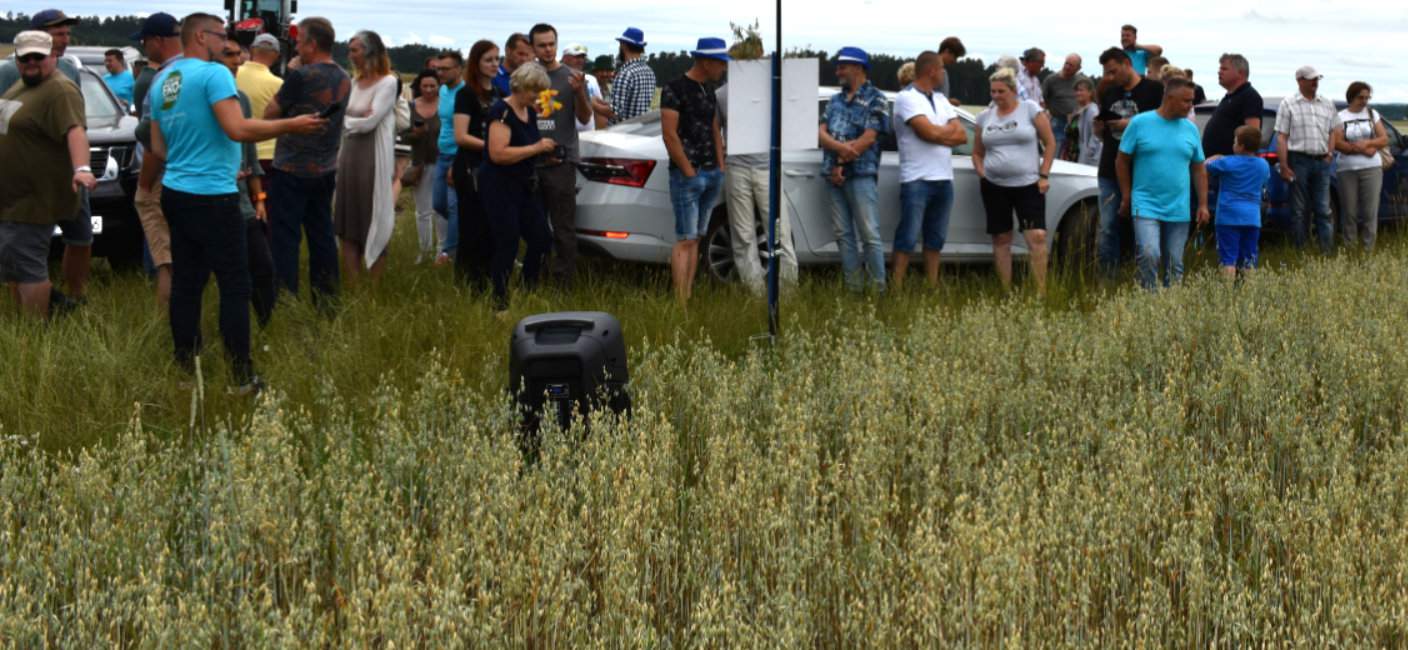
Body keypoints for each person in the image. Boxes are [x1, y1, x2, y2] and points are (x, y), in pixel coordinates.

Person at [145, 13, 323, 392]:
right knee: (235, 285)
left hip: (176, 191)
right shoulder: (214, 75)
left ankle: (186, 370)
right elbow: (238, 129)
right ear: (199, 36)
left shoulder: (165, 80)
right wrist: (292, 124)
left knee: (187, 284)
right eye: (221, 35)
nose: (227, 42)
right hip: (213, 194)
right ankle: (241, 377)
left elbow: (158, 148)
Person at [0, 30, 96, 319]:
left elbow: (76, 131)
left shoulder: (59, 90)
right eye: (24, 57)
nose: (31, 62)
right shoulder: (21, 85)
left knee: (29, 269)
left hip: (34, 200)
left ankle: (35, 331)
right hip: (12, 199)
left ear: (53, 55)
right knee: (15, 265)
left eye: (38, 57)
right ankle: (24, 321)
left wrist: (81, 168)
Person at [1116, 77, 1208, 290]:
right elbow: (1122, 160)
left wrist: (1203, 204)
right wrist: (1127, 195)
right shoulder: (1140, 123)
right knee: (1150, 254)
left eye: (1191, 101)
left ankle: (1170, 306)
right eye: (1186, 101)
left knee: (1175, 262)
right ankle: (1149, 300)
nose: (1190, 106)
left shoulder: (1190, 129)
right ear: (1169, 98)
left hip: (1179, 206)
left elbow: (1198, 168)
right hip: (1145, 203)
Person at [479, 64, 556, 312]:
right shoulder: (501, 112)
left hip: (523, 185)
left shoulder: (529, 113)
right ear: (521, 87)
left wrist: (545, 155)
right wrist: (536, 148)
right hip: (500, 186)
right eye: (534, 91)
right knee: (507, 241)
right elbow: (498, 154)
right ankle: (499, 302)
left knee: (541, 238)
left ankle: (527, 288)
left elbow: (527, 148)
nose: (537, 96)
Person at [974, 67, 1057, 296]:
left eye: (1001, 91)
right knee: (1001, 237)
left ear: (1012, 90)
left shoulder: (1029, 109)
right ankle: (1006, 291)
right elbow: (977, 152)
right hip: (994, 185)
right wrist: (982, 173)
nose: (996, 96)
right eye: (993, 92)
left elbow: (1050, 143)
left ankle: (1040, 291)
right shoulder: (985, 117)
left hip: (1028, 183)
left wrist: (1044, 174)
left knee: (1037, 236)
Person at [892, 51, 968, 290]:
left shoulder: (941, 100)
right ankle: (896, 287)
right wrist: (943, 133)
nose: (944, 74)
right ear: (932, 70)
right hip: (917, 179)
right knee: (907, 236)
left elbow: (962, 135)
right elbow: (928, 133)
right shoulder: (907, 98)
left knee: (935, 238)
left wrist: (938, 134)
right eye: (942, 69)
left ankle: (932, 286)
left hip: (944, 179)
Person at [660, 37, 728, 305]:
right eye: (721, 63)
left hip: (711, 172)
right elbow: (669, 134)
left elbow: (714, 128)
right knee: (686, 238)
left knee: (697, 237)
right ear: (706, 61)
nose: (723, 68)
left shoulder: (708, 89)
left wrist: (720, 166)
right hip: (688, 175)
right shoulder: (674, 88)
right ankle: (681, 301)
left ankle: (688, 293)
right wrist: (688, 171)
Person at [718, 78, 796, 298]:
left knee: (780, 231)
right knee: (743, 234)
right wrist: (722, 162)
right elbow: (717, 130)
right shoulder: (721, 94)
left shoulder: (771, 90)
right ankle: (755, 293)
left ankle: (788, 293)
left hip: (767, 169)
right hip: (736, 169)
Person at [819, 46, 888, 293]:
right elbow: (821, 132)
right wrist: (839, 150)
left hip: (860, 174)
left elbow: (869, 137)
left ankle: (878, 290)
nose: (838, 71)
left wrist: (841, 160)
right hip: (833, 175)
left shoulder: (876, 98)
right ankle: (854, 288)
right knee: (843, 234)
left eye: (842, 66)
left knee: (869, 233)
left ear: (858, 68)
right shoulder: (835, 100)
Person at [216, 37, 276, 326]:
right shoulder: (199, 95)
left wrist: (260, 198)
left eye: (239, 55)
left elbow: (250, 157)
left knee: (262, 267)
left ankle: (265, 326)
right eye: (229, 55)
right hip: (208, 198)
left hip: (243, 202)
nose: (237, 61)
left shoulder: (241, 99)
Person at [333, 30, 398, 286]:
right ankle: (352, 286)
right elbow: (355, 120)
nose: (350, 55)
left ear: (370, 51)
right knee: (347, 222)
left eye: (355, 50)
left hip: (372, 159)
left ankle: (373, 289)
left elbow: (370, 122)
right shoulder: (354, 82)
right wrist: (352, 121)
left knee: (372, 217)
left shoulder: (388, 83)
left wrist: (346, 121)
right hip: (349, 156)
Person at [530, 23, 593, 286]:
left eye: (551, 44)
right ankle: (533, 276)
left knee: (564, 226)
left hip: (561, 162)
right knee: (533, 226)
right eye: (541, 45)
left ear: (557, 44)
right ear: (533, 47)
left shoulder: (573, 77)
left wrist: (579, 92)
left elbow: (585, 116)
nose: (547, 49)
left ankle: (564, 282)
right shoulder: (526, 76)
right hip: (529, 160)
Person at [129, 12, 184, 310]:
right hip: (196, 175)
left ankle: (166, 320)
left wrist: (144, 183)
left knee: (166, 257)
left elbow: (154, 141)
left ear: (157, 41)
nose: (143, 48)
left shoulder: (163, 80)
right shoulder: (201, 73)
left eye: (144, 41)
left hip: (164, 174)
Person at [1094, 47, 1162, 278]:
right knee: (1107, 227)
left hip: (1142, 169)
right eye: (1107, 73)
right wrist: (1099, 126)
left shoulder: (1153, 90)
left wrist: (1129, 124)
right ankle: (1107, 279)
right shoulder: (1110, 92)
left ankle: (1142, 276)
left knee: (1142, 227)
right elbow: (1101, 131)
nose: (1111, 77)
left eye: (1114, 71)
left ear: (1127, 63)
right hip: (1109, 167)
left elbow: (1161, 125)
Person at [453, 40, 504, 288]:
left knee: (491, 226)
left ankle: (487, 277)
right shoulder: (466, 94)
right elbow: (461, 136)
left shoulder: (497, 93)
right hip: (470, 167)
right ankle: (468, 283)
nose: (495, 64)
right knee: (472, 226)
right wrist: (492, 148)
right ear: (476, 63)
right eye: (488, 60)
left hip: (492, 168)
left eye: (497, 59)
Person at [1275, 66, 1340, 253]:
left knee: (1324, 208)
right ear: (1299, 80)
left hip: (1322, 161)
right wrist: (1285, 165)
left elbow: (1332, 131)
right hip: (1299, 160)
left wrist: (1329, 153)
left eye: (1317, 79)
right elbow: (1282, 136)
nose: (1315, 82)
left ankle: (1326, 251)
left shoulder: (1327, 103)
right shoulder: (1289, 103)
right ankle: (1300, 251)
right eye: (1311, 79)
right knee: (1299, 210)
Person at [1205, 125, 1270, 278]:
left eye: (1235, 142)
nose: (1233, 145)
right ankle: (1247, 293)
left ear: (1240, 146)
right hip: (1252, 218)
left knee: (1228, 259)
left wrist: (1215, 157)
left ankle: (1228, 294)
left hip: (1228, 217)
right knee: (1249, 258)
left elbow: (1205, 166)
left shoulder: (1227, 163)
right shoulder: (1263, 165)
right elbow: (1265, 182)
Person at [1331, 81, 1389, 252]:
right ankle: (1350, 248)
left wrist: (1368, 143)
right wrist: (1362, 149)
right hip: (1347, 169)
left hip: (1372, 168)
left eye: (1367, 97)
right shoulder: (1340, 117)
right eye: (1360, 97)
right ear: (1351, 97)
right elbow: (1338, 143)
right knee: (1349, 212)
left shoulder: (1372, 114)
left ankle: (1368, 250)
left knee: (1370, 211)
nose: (1364, 101)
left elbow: (1384, 139)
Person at [431, 50, 465, 266]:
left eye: (445, 69)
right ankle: (464, 236)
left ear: (459, 69)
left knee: (454, 206)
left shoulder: (466, 92)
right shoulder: (443, 90)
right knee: (439, 203)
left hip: (458, 155)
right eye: (438, 69)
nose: (440, 73)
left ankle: (448, 253)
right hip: (442, 154)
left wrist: (460, 161)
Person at [405, 69, 442, 263]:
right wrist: (415, 134)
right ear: (419, 87)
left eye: (432, 86)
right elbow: (402, 135)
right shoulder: (410, 107)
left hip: (442, 162)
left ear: (438, 87)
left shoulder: (444, 106)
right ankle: (425, 250)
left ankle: (442, 250)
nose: (428, 90)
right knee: (422, 210)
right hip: (419, 163)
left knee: (441, 209)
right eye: (425, 86)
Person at [237, 33, 284, 173]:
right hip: (267, 153)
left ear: (251, 50)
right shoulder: (278, 84)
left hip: (237, 150)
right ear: (276, 55)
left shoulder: (230, 75)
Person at [1201, 53, 1261, 158]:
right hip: (1215, 165)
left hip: (1231, 168)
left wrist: (1233, 163)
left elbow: (1251, 136)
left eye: (1224, 69)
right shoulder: (1229, 97)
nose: (1219, 72)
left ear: (1240, 73)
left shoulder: (1250, 96)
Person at [609, 27, 655, 124]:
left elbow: (614, 113)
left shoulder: (625, 74)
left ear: (624, 45)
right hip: (641, 131)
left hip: (623, 133)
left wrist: (593, 105)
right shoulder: (649, 71)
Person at [1041, 54, 1085, 154]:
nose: (1067, 67)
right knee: (1055, 150)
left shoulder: (1080, 81)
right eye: (1066, 63)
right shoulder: (1051, 80)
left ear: (1078, 68)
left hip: (1076, 122)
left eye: (1071, 65)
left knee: (1072, 152)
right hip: (1057, 121)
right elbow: (1042, 100)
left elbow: (1088, 100)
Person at [561, 43, 608, 130]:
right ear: (565, 58)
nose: (580, 60)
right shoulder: (557, 80)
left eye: (582, 57)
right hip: (567, 136)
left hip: (590, 135)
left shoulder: (592, 80)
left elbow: (598, 111)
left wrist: (600, 133)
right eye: (576, 57)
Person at [1068, 77, 1102, 166]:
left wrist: (1088, 154)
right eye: (1076, 90)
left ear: (1090, 92)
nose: (1078, 93)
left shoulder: (1092, 111)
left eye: (1081, 90)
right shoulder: (1078, 109)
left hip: (1085, 159)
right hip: (1073, 154)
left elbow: (1096, 135)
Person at [492, 33, 533, 98]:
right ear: (508, 50)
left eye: (527, 55)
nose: (524, 59)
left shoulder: (530, 79)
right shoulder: (492, 76)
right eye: (520, 54)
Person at [937, 36, 965, 106]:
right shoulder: (937, 72)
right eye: (955, 57)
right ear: (946, 51)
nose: (955, 61)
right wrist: (950, 102)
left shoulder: (942, 71)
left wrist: (948, 101)